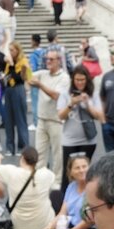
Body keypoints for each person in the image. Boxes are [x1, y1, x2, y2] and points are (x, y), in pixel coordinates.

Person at [57, 65, 103, 191]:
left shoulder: (93, 94)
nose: (80, 83)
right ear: (73, 80)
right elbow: (60, 116)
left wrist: (87, 104)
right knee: (68, 174)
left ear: (87, 80)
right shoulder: (65, 94)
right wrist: (71, 104)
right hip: (69, 140)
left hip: (88, 140)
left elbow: (98, 116)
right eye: (77, 80)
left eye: (82, 80)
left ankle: (84, 198)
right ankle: (65, 200)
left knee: (84, 173)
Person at [0, 146, 55, 229]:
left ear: (22, 158)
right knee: (56, 194)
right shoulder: (46, 174)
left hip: (18, 225)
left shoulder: (12, 172)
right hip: (43, 224)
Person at [31, 50, 69, 188]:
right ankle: (40, 179)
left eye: (51, 59)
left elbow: (56, 96)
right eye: (46, 59)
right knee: (39, 152)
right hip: (42, 119)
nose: (48, 61)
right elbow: (27, 77)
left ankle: (57, 181)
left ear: (59, 60)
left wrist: (40, 85)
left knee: (57, 153)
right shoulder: (43, 73)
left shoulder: (64, 78)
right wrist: (19, 64)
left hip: (56, 120)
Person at [2, 41, 31, 156]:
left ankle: (22, 146)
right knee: (8, 119)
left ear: (18, 50)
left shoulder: (23, 61)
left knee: (20, 119)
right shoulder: (8, 62)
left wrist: (12, 65)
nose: (10, 52)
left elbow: (19, 78)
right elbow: (8, 75)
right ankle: (9, 147)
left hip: (18, 89)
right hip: (8, 89)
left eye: (12, 50)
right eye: (9, 50)